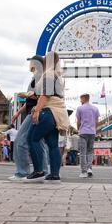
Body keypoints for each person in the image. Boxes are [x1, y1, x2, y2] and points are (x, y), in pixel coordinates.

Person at [24, 51, 70, 183]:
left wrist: (37, 110)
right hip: (57, 113)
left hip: (48, 111)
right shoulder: (58, 76)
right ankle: (54, 175)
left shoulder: (48, 74)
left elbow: (46, 95)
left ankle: (39, 171)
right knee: (53, 145)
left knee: (32, 138)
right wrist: (31, 95)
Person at [8, 56, 49, 181]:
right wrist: (18, 113)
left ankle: (22, 172)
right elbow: (29, 101)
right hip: (37, 111)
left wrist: (26, 95)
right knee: (39, 143)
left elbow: (42, 96)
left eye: (31, 62)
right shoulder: (38, 77)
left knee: (21, 141)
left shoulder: (39, 77)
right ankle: (43, 171)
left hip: (35, 112)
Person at [76, 94, 100, 178]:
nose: (80, 101)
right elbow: (97, 121)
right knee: (90, 151)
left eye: (81, 99)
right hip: (92, 132)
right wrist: (94, 129)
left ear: (84, 98)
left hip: (83, 132)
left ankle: (84, 171)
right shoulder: (95, 109)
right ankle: (90, 168)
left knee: (83, 153)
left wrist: (78, 129)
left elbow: (78, 121)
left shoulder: (80, 108)